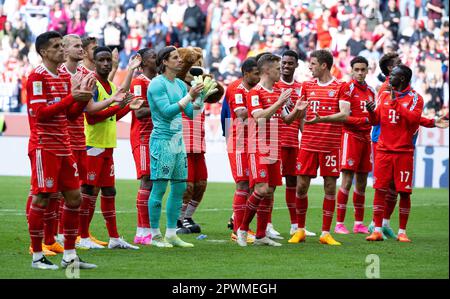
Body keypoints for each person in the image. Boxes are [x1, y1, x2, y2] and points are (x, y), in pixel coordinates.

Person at [26, 31, 96, 270]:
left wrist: (81, 99)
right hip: (44, 146)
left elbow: (70, 115)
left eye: (61, 45)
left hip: (64, 147)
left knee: (75, 198)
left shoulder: (64, 76)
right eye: (56, 46)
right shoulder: (37, 76)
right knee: (42, 196)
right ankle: (37, 255)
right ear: (44, 52)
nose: (61, 50)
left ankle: (69, 255)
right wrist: (71, 98)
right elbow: (40, 113)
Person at [236, 54, 308, 247]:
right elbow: (259, 117)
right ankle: (242, 229)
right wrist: (279, 102)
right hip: (258, 145)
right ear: (267, 70)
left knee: (270, 191)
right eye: (277, 68)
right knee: (261, 188)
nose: (281, 71)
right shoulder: (255, 92)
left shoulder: (277, 91)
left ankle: (260, 235)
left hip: (274, 145)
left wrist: (299, 110)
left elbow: (286, 119)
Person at [146, 46, 207, 248]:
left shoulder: (180, 84)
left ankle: (171, 233)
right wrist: (190, 95)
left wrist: (201, 98)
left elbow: (191, 114)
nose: (180, 61)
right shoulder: (157, 84)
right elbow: (166, 112)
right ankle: (155, 235)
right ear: (164, 62)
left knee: (179, 188)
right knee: (160, 188)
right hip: (162, 141)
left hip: (178, 141)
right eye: (175, 58)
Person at [81, 46, 141, 250]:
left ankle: (114, 238)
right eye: (102, 60)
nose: (106, 63)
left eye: (108, 60)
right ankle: (83, 236)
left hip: (107, 145)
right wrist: (118, 106)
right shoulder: (93, 84)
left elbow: (112, 115)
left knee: (109, 190)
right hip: (92, 145)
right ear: (95, 62)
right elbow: (92, 116)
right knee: (89, 190)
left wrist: (127, 108)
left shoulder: (110, 86)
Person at [289, 49, 349, 246]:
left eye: (313, 64)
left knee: (330, 187)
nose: (309, 67)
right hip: (308, 144)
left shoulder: (341, 86)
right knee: (301, 186)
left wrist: (321, 119)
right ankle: (300, 230)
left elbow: (344, 114)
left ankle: (325, 233)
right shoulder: (306, 86)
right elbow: (300, 114)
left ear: (324, 65)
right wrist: (295, 111)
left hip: (331, 145)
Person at [316, 56, 375, 235]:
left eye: (363, 69)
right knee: (347, 180)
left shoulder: (372, 91)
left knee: (363, 182)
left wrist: (372, 116)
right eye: (356, 69)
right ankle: (339, 223)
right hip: (350, 136)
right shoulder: (346, 88)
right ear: (351, 70)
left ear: (367, 70)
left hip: (366, 138)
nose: (360, 73)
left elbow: (374, 118)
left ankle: (359, 223)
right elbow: (343, 117)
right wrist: (363, 119)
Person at [365, 65, 423, 242]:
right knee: (379, 189)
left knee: (404, 192)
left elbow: (414, 119)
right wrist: (370, 111)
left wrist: (396, 103)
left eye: (394, 75)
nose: (389, 77)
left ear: (403, 79)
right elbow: (376, 120)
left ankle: (402, 232)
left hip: (403, 151)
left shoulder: (415, 98)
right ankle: (377, 230)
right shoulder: (383, 94)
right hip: (383, 150)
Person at [275, 50, 316, 238]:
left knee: (294, 182)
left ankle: (295, 226)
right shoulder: (275, 86)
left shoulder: (301, 88)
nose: (286, 66)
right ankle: (267, 225)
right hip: (275, 142)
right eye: (283, 63)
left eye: (290, 63)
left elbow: (301, 118)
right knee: (270, 184)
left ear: (296, 65)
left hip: (293, 142)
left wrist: (305, 137)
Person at [226, 57, 260, 243]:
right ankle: (238, 229)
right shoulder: (236, 88)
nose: (259, 76)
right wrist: (263, 106)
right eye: (256, 73)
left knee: (256, 186)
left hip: (256, 139)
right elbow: (241, 115)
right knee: (243, 185)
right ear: (246, 73)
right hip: (239, 141)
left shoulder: (257, 89)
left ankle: (242, 225)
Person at [129, 47, 157, 245]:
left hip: (157, 136)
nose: (158, 60)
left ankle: (149, 229)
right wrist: (164, 107)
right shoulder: (139, 81)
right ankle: (142, 231)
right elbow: (138, 111)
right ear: (144, 62)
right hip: (143, 136)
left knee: (155, 181)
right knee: (146, 179)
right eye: (154, 57)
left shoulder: (158, 82)